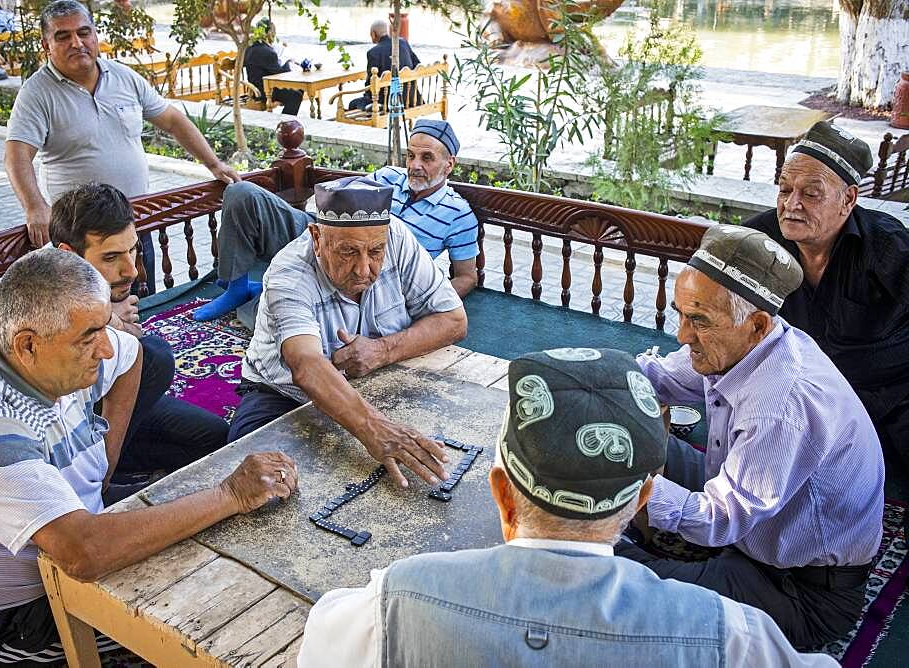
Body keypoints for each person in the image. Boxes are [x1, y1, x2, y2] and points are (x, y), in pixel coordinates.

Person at [298, 348, 837, 667]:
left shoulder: (393, 599)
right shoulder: (727, 635)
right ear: (642, 500)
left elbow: (320, 646)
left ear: (502, 493)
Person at [0, 248, 298, 666]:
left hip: (67, 536)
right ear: (27, 345)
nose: (105, 350)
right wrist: (230, 495)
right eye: (90, 339)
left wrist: (105, 468)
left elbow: (131, 354)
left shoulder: (49, 345)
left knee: (214, 538)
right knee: (218, 620)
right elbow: (83, 554)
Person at [615, 224, 885, 649]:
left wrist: (627, 489)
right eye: (681, 315)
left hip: (799, 591)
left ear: (757, 325)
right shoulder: (740, 344)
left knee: (613, 576)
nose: (683, 336)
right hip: (756, 531)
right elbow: (656, 378)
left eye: (699, 321)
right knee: (622, 444)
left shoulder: (782, 401)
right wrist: (587, 377)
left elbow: (720, 519)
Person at [231, 176, 467, 489]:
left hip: (376, 377)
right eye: (348, 252)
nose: (364, 269)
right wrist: (373, 426)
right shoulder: (288, 272)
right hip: (282, 394)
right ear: (316, 238)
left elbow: (453, 320)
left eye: (375, 252)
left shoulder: (395, 235)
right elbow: (306, 366)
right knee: (258, 481)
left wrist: (381, 350)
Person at [4, 0, 241, 294]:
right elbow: (17, 155)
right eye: (63, 36)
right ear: (46, 45)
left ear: (95, 36)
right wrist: (35, 206)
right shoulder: (37, 94)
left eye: (83, 32)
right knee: (94, 314)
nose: (76, 42)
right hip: (87, 239)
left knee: (143, 305)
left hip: (135, 223)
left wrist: (214, 164)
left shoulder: (123, 77)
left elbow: (172, 120)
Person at [744, 121, 909, 476]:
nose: (792, 204)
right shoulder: (756, 242)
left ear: (848, 198)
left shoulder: (890, 249)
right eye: (784, 189)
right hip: (793, 395)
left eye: (811, 194)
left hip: (885, 397)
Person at [193, 119, 478, 322]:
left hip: (367, 272)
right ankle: (237, 288)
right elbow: (341, 197)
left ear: (449, 164)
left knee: (272, 319)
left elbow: (467, 276)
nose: (415, 165)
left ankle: (263, 299)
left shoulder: (458, 213)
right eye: (411, 155)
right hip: (321, 236)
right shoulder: (388, 177)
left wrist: (424, 302)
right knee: (241, 193)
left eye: (427, 158)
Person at [50, 183, 229, 487]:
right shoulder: (39, 293)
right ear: (68, 255)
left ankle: (118, 465)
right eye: (111, 258)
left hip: (106, 405)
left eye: (132, 249)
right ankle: (103, 475)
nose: (131, 270)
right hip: (62, 429)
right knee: (153, 355)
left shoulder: (94, 281)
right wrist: (112, 323)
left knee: (214, 437)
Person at [346, 19, 420, 112]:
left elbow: (370, 85)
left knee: (353, 103)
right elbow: (417, 65)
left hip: (388, 103)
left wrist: (366, 96)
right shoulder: (403, 43)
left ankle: (375, 126)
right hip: (413, 99)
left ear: (373, 34)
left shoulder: (373, 53)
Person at [243, 18, 303, 116]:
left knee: (299, 88)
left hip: (254, 87)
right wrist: (287, 62)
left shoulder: (250, 46)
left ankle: (287, 120)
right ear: (269, 32)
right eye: (274, 31)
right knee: (295, 95)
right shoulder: (267, 51)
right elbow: (280, 74)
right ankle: (284, 124)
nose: (275, 35)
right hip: (264, 90)